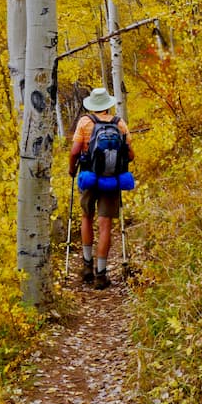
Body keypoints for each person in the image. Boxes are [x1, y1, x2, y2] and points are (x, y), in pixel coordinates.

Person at [68, 87, 133, 289]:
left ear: (92, 105)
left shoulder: (84, 122)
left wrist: (72, 169)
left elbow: (74, 151)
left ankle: (87, 266)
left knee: (86, 217)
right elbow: (130, 155)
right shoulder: (119, 123)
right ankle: (101, 274)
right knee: (105, 225)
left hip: (88, 177)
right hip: (111, 180)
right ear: (108, 104)